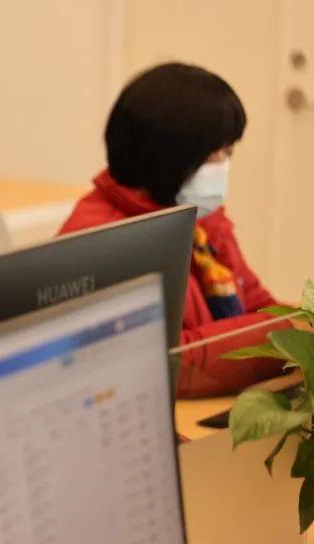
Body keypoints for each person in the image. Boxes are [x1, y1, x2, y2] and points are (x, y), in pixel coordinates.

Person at [60, 62, 287, 397]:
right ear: (172, 156)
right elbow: (163, 362)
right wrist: (284, 333)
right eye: (216, 153)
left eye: (229, 151)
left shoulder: (199, 217)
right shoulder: (103, 241)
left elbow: (255, 301)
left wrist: (295, 328)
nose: (225, 165)